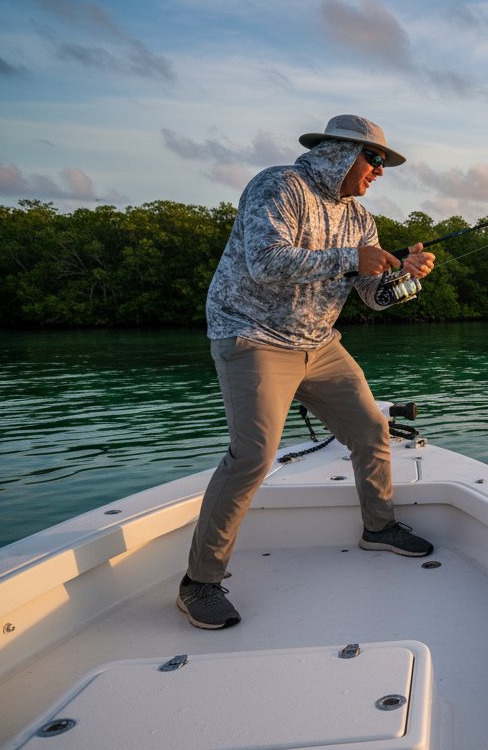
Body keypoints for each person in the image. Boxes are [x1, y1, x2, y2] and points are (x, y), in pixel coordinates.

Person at [178, 114, 436, 629]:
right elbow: (265, 262)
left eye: (383, 164)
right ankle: (199, 583)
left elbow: (372, 297)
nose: (379, 171)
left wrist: (406, 279)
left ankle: (379, 528)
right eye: (374, 159)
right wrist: (351, 258)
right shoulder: (279, 185)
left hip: (319, 344)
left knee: (371, 430)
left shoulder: (361, 219)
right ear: (340, 153)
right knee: (253, 456)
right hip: (252, 335)